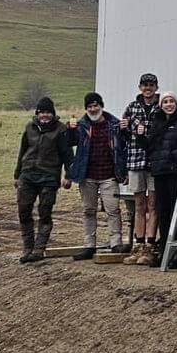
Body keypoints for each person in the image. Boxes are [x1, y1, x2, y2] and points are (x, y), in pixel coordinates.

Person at [67, 92, 129, 260]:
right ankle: (89, 245)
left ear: (101, 106)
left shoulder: (115, 124)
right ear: (86, 109)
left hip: (109, 175)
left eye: (96, 106)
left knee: (113, 210)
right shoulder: (81, 125)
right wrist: (70, 130)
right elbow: (70, 142)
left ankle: (116, 243)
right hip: (87, 176)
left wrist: (126, 130)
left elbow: (125, 144)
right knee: (88, 210)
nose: (93, 109)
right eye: (89, 107)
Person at [13, 96, 73, 264]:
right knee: (23, 210)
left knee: (45, 212)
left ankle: (39, 248)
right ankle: (27, 247)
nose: (45, 116)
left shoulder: (60, 130)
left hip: (49, 177)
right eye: (42, 112)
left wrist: (68, 176)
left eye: (48, 112)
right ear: (37, 113)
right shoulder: (29, 127)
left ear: (53, 114)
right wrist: (17, 175)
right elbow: (22, 151)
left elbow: (68, 155)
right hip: (27, 175)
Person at [147, 90, 177, 267]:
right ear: (161, 105)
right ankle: (165, 252)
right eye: (165, 102)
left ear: (176, 104)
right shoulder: (156, 123)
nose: (169, 104)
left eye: (171, 101)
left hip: (175, 171)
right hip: (160, 172)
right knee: (163, 211)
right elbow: (148, 146)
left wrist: (173, 155)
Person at [120, 72, 162, 264]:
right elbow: (123, 135)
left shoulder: (161, 106)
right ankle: (138, 245)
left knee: (153, 205)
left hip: (154, 163)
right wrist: (123, 128)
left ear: (156, 87)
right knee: (139, 205)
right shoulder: (131, 107)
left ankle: (150, 246)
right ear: (139, 87)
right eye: (145, 85)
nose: (148, 88)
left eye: (151, 85)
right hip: (135, 160)